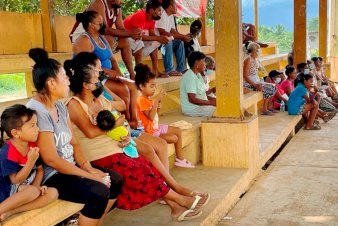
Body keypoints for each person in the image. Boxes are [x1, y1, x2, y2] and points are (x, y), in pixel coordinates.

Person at [64, 61, 210, 221]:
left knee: (145, 165)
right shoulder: (73, 104)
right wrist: (115, 124)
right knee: (138, 170)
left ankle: (176, 207)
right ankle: (180, 200)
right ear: (86, 85)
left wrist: (125, 135)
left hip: (116, 149)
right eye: (96, 80)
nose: (100, 82)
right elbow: (91, 133)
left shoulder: (98, 99)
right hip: (98, 156)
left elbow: (118, 116)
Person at [26, 48, 123, 226]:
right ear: (51, 84)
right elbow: (52, 160)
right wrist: (89, 176)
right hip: (52, 175)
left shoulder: (60, 106)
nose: (69, 81)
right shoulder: (37, 111)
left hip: (71, 166)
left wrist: (88, 168)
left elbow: (75, 143)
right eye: (64, 78)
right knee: (99, 191)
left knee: (115, 180)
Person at [72, 11, 139, 128]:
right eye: (100, 23)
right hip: (96, 77)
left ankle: (134, 120)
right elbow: (86, 67)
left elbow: (112, 59)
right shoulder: (84, 40)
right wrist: (107, 72)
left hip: (108, 75)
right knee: (124, 89)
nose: (103, 26)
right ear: (91, 25)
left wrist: (118, 74)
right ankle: (126, 121)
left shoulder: (102, 38)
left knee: (133, 85)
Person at [0, 105, 58, 222]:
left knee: (53, 193)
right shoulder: (7, 152)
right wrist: (30, 161)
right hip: (6, 191)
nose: (37, 129)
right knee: (32, 192)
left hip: (24, 189)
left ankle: (10, 211)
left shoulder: (32, 145)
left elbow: (40, 169)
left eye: (36, 124)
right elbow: (15, 181)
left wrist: (36, 186)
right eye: (32, 126)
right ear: (16, 133)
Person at [135, 63, 195, 168]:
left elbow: (155, 116)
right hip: (149, 132)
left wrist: (157, 106)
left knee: (177, 131)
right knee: (173, 138)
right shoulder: (141, 100)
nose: (154, 88)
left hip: (155, 127)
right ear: (141, 86)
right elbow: (150, 117)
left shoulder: (148, 98)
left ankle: (180, 159)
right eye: (152, 86)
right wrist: (156, 100)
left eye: (155, 86)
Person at [70, 0, 140, 79]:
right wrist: (131, 33)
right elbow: (105, 30)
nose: (122, 1)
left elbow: (121, 29)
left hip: (98, 36)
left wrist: (133, 33)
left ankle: (132, 75)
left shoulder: (117, 8)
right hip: (82, 37)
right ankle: (104, 74)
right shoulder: (99, 3)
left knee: (124, 41)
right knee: (108, 38)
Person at [123, 0, 171, 77]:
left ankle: (155, 70)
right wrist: (158, 38)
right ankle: (140, 73)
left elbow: (152, 34)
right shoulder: (140, 15)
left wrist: (160, 38)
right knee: (140, 43)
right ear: (152, 10)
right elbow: (137, 36)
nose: (160, 13)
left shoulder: (152, 19)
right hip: (125, 37)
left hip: (136, 38)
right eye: (159, 10)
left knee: (155, 42)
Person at [155, 0, 191, 76]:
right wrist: (182, 36)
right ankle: (169, 70)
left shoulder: (170, 15)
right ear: (170, 7)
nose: (176, 7)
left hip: (165, 41)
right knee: (168, 40)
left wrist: (183, 37)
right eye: (175, 5)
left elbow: (172, 30)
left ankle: (181, 68)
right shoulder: (162, 14)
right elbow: (163, 32)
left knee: (180, 42)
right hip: (157, 42)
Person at [243, 42, 277, 115]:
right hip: (249, 83)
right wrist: (255, 85)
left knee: (273, 87)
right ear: (253, 51)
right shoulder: (248, 59)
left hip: (256, 80)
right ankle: (264, 109)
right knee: (269, 88)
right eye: (258, 50)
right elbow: (245, 76)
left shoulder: (255, 59)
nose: (259, 51)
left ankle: (268, 107)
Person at [180, 51, 216, 117]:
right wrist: (210, 102)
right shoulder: (190, 76)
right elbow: (192, 99)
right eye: (203, 61)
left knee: (222, 106)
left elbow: (201, 95)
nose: (205, 65)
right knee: (218, 111)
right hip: (192, 109)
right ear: (197, 63)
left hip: (200, 106)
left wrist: (214, 100)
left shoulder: (198, 75)